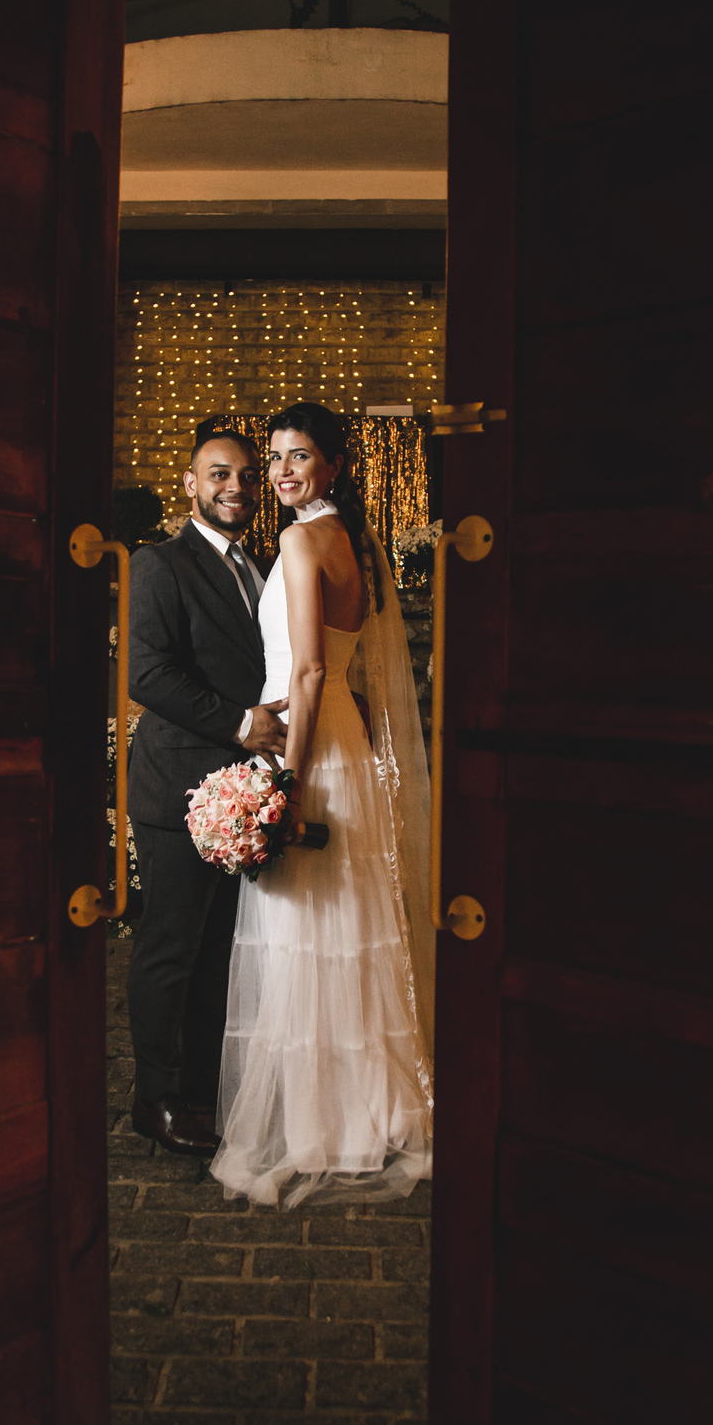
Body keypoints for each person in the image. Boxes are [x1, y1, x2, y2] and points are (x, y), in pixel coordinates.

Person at [211, 403, 435, 1207]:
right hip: (341, 737)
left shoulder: (303, 542)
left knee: (306, 931)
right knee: (344, 929)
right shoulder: (350, 540)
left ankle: (320, 1125)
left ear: (334, 465)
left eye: (298, 456)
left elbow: (306, 671)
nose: (280, 472)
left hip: (309, 744)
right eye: (274, 457)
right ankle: (359, 1109)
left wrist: (291, 780)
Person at [126, 426, 289, 1158]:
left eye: (248, 475)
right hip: (177, 788)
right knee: (169, 949)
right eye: (220, 474)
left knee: (219, 947)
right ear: (191, 484)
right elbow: (148, 674)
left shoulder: (262, 565)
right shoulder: (160, 564)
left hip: (241, 792)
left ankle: (198, 1085)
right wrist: (242, 725)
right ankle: (154, 1101)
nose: (237, 487)